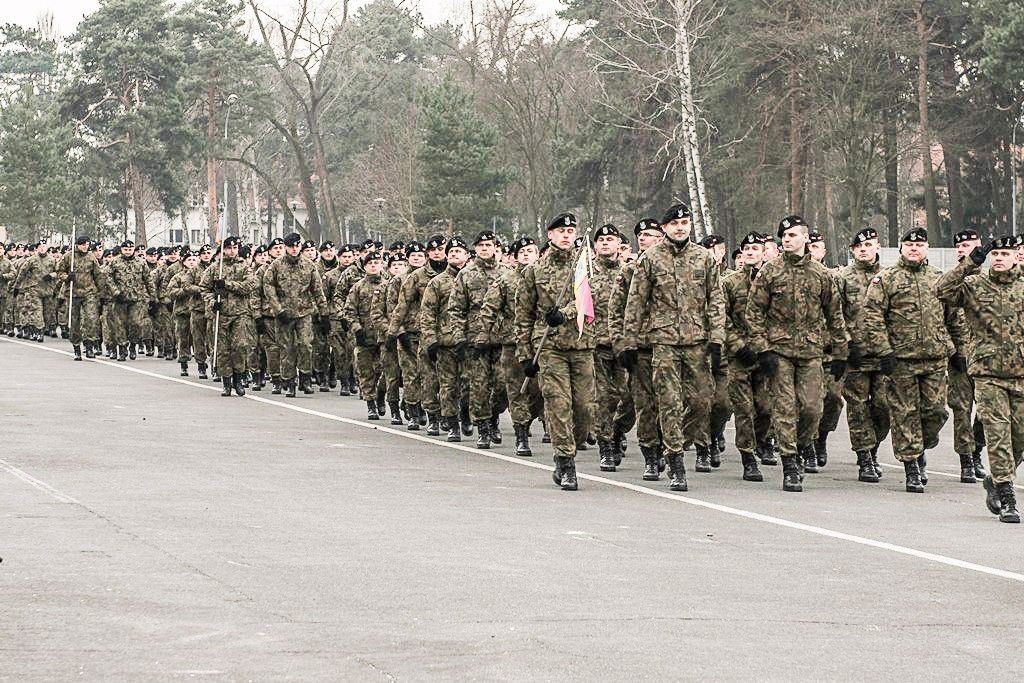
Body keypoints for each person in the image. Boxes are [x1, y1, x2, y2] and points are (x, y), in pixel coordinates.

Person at [622, 203, 726, 491]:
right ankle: (676, 462)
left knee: (702, 401)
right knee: (668, 403)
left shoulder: (703, 258)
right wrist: (629, 341)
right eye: (674, 224)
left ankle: (680, 443)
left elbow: (715, 300)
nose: (680, 228)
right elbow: (636, 302)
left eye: (685, 223)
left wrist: (717, 339)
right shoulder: (651, 259)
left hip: (696, 341)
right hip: (663, 342)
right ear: (665, 228)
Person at [746, 216, 849, 492]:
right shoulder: (770, 272)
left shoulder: (821, 274)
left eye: (792, 235)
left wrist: (840, 352)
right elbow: (754, 312)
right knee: (784, 408)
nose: (787, 239)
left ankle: (804, 446)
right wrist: (762, 348)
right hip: (778, 352)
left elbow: (834, 316)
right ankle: (789, 463)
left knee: (813, 407)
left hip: (811, 351)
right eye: (784, 235)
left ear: (805, 238)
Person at [862, 228, 966, 493]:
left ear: (927, 248)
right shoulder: (887, 279)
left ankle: (920, 448)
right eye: (909, 244)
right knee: (905, 413)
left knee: (936, 412)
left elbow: (954, 317)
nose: (914, 249)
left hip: (934, 357)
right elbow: (872, 316)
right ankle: (912, 466)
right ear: (901, 248)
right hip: (901, 360)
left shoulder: (938, 279)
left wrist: (960, 352)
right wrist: (883, 351)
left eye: (919, 245)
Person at [936, 235, 1024, 522]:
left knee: (1019, 438)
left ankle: (996, 481)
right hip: (988, 374)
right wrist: (969, 262)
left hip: (1021, 373)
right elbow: (941, 289)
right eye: (994, 253)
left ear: (1016, 257)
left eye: (1005, 253)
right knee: (998, 434)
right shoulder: (975, 285)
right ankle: (1007, 495)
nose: (999, 258)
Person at [516, 213, 596, 491]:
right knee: (558, 406)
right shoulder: (534, 271)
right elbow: (523, 316)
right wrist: (525, 355)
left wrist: (564, 314)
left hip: (582, 345)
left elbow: (588, 301)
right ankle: (565, 462)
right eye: (560, 230)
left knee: (584, 407)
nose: (566, 235)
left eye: (570, 230)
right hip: (549, 348)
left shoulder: (585, 266)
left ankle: (573, 446)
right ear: (549, 235)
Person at [610, 218, 666, 481]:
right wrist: (622, 344)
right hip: (641, 346)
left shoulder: (674, 266)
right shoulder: (630, 270)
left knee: (674, 401)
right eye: (640, 234)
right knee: (642, 403)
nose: (643, 238)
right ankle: (651, 455)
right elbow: (616, 308)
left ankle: (667, 443)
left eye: (650, 234)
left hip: (673, 344)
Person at [481, 236, 544, 456]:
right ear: (515, 257)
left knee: (540, 391)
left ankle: (528, 419)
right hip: (512, 343)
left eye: (531, 251)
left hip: (540, 343)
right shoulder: (506, 281)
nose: (526, 254)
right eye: (522, 251)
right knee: (513, 390)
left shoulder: (544, 279)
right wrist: (485, 337)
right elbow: (489, 309)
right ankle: (521, 434)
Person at [836, 228, 889, 482]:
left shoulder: (889, 277)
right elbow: (835, 315)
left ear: (878, 246)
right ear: (853, 251)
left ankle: (873, 446)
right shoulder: (844, 278)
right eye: (859, 247)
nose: (864, 249)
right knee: (857, 407)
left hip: (883, 354)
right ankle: (865, 458)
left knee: (884, 406)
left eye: (869, 244)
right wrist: (847, 345)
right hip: (855, 356)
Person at [448, 229, 505, 448]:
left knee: (502, 385)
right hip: (475, 340)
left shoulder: (506, 273)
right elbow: (456, 308)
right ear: (475, 249)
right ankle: (483, 427)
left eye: (488, 246)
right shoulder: (466, 274)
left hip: (501, 338)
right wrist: (459, 337)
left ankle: (493, 417)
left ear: (495, 248)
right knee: (478, 386)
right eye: (480, 246)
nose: (485, 249)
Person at [722, 232, 771, 482]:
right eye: (746, 249)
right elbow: (722, 317)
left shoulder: (774, 280)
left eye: (755, 248)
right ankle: (748, 457)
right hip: (739, 357)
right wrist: (737, 345)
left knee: (766, 408)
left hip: (767, 355)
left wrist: (769, 347)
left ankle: (762, 440)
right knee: (744, 410)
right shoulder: (730, 283)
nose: (750, 252)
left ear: (765, 252)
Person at [263, 232, 329, 397]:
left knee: (306, 345)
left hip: (304, 312)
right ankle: (289, 381)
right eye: (291, 246)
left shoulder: (308, 265)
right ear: (286, 247)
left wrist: (324, 313)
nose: (294, 249)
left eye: (297, 246)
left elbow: (317, 290)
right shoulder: (276, 265)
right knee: (286, 348)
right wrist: (278, 310)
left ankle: (305, 377)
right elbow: (268, 288)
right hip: (284, 314)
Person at [946, 229, 988, 482]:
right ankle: (966, 460)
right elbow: (937, 321)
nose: (964, 250)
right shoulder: (951, 282)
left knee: (985, 411)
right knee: (961, 409)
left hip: (985, 359)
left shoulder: (989, 280)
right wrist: (953, 350)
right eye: (960, 247)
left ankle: (978, 449)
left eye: (969, 245)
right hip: (959, 358)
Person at [420, 237, 470, 441]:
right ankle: (451, 423)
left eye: (459, 251)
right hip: (446, 342)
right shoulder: (437, 282)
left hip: (470, 341)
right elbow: (427, 313)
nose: (455, 254)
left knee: (470, 385)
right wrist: (431, 339)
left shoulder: (474, 278)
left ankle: (466, 414)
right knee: (448, 385)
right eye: (451, 251)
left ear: (467, 255)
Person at [201, 236, 256, 396]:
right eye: (229, 248)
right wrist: (212, 302)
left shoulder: (244, 266)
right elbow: (204, 288)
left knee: (239, 347)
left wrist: (227, 285)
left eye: (235, 248)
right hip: (221, 314)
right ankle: (226, 381)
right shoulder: (214, 268)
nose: (232, 251)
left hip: (240, 313)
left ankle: (239, 379)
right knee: (223, 350)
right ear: (223, 250)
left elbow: (249, 286)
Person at [345, 251, 386, 419]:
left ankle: (381, 396)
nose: (373, 266)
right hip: (364, 336)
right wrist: (356, 328)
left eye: (376, 263)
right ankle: (371, 403)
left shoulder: (388, 285)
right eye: (370, 263)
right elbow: (349, 311)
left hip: (383, 336)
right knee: (366, 371)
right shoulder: (358, 287)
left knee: (385, 370)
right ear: (365, 266)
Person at [55, 234, 105, 359]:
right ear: (78, 245)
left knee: (91, 319)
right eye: (83, 245)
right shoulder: (69, 257)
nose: (85, 247)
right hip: (73, 292)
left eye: (87, 245)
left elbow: (98, 275)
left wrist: (102, 292)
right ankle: (76, 347)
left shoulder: (91, 257)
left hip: (89, 292)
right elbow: (59, 271)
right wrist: (67, 277)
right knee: (74, 321)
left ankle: (89, 346)